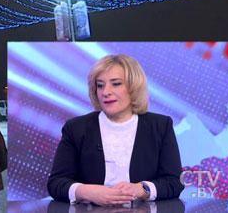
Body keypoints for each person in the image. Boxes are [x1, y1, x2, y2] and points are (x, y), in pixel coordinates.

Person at [48, 54, 183, 206]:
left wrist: (140, 189)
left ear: (133, 86)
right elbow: (56, 183)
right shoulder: (76, 128)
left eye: (116, 84)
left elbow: (174, 182)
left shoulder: (160, 126)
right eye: (100, 85)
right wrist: (88, 192)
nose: (106, 92)